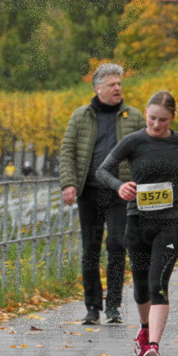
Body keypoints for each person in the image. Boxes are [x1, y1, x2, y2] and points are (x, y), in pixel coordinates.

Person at [93, 90, 178, 356]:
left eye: (163, 120)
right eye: (152, 118)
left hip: (172, 222)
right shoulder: (133, 141)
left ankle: (153, 347)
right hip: (138, 222)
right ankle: (145, 329)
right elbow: (102, 171)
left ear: (173, 118)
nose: (156, 124)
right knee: (141, 287)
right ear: (146, 113)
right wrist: (119, 186)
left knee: (158, 282)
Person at [59, 63, 146, 325]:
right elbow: (67, 151)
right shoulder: (80, 117)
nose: (118, 88)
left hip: (121, 191)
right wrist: (68, 184)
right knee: (90, 249)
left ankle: (113, 306)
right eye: (112, 84)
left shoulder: (134, 116)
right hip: (89, 191)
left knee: (117, 244)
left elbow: (145, 151)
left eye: (119, 83)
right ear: (98, 89)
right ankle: (92, 307)